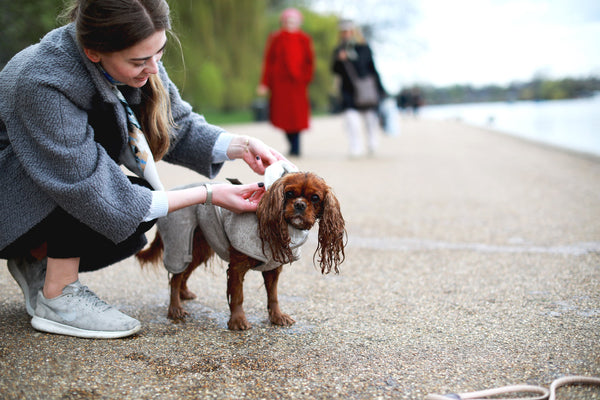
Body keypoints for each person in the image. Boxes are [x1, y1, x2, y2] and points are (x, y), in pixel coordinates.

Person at [0, 0, 289, 339]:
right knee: (127, 195)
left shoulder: (137, 54)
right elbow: (87, 189)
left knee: (136, 211)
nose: (153, 68)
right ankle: (58, 293)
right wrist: (209, 194)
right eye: (140, 61)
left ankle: (38, 259)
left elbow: (175, 123)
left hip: (47, 184)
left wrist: (239, 145)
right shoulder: (44, 81)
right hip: (10, 195)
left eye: (160, 54)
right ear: (93, 51)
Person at [257, 8, 314, 157]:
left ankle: (296, 146)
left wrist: (305, 78)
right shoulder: (276, 38)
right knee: (283, 117)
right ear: (283, 22)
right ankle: (291, 143)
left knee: (297, 117)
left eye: (293, 21)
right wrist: (264, 83)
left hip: (297, 85)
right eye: (288, 21)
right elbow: (269, 61)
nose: (290, 24)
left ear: (299, 23)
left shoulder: (304, 39)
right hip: (280, 84)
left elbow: (309, 62)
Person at [332, 19, 386, 157]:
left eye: (349, 31)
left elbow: (370, 68)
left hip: (366, 88)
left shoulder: (364, 48)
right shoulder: (338, 50)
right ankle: (355, 146)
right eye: (343, 32)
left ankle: (372, 142)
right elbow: (334, 70)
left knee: (370, 119)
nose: (346, 34)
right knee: (351, 119)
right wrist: (339, 60)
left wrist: (381, 90)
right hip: (348, 90)